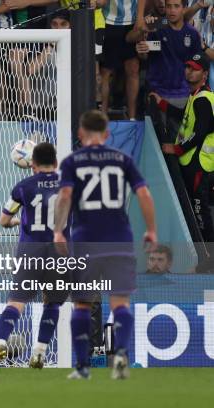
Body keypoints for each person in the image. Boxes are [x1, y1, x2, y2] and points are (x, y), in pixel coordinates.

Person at [53, 110, 157, 380]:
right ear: (107, 134)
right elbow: (144, 193)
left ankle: (82, 366)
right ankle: (120, 354)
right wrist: (152, 230)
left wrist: (58, 231)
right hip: (120, 238)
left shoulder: (73, 161)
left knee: (83, 304)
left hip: (87, 240)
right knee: (120, 302)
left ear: (80, 133)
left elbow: (65, 196)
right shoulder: (122, 159)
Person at [0, 143, 69, 372]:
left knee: (16, 303)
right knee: (53, 302)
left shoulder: (23, 187)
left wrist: (18, 222)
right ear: (56, 163)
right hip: (59, 253)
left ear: (32, 164)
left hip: (30, 251)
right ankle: (39, 352)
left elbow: (4, 220)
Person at [153, 52, 214, 241]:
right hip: (192, 161)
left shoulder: (203, 98)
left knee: (199, 210)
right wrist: (162, 104)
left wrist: (177, 149)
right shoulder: (195, 95)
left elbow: (201, 131)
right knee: (195, 210)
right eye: (187, 67)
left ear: (204, 74)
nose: (189, 72)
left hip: (200, 164)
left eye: (194, 69)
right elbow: (185, 117)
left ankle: (208, 257)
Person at [130, 0, 201, 138]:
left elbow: (197, 66)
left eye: (176, 6)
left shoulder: (192, 34)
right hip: (157, 95)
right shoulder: (156, 28)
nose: (172, 10)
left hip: (183, 98)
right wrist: (141, 50)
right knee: (155, 143)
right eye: (169, 6)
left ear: (184, 8)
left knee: (178, 142)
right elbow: (145, 54)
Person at [100, 0, 141, 120]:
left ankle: (132, 117)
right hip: (108, 20)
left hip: (132, 21)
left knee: (133, 68)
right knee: (106, 72)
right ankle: (102, 116)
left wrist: (140, 18)